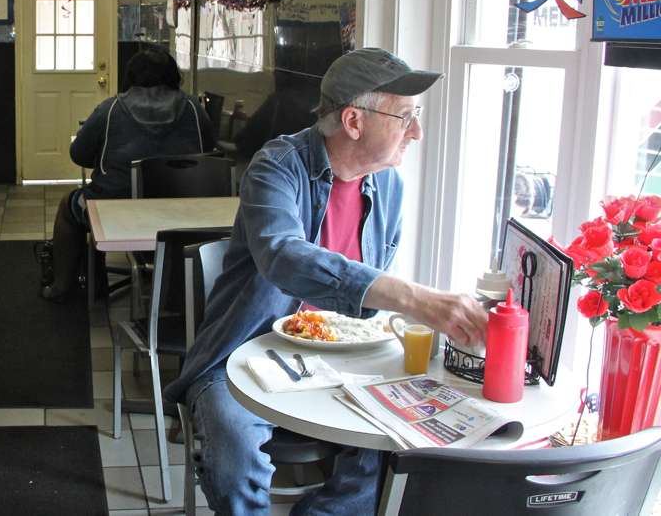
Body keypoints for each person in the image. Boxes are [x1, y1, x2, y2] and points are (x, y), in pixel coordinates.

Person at [163, 48, 488, 515]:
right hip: (244, 353)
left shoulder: (389, 185)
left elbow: (365, 294)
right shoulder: (278, 166)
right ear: (354, 121)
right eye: (405, 117)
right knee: (233, 446)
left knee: (400, 443)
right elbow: (282, 255)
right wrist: (414, 297)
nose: (416, 132)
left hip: (349, 357)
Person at [42, 47, 216, 302]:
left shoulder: (111, 109)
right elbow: (208, 150)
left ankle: (62, 286)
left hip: (116, 210)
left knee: (69, 207)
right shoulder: (193, 108)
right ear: (173, 75)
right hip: (184, 209)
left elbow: (78, 154)